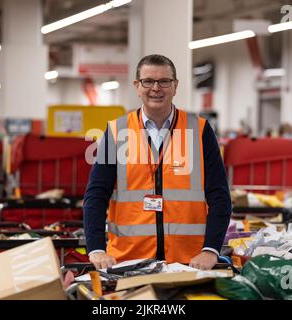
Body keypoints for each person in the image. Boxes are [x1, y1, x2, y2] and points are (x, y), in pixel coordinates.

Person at [83, 54, 232, 270]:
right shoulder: (118, 131)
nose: (156, 88)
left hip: (189, 263)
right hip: (128, 263)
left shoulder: (199, 131)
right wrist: (96, 249)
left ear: (175, 86)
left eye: (164, 81)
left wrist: (210, 250)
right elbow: (96, 195)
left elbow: (219, 196)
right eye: (148, 81)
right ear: (137, 86)